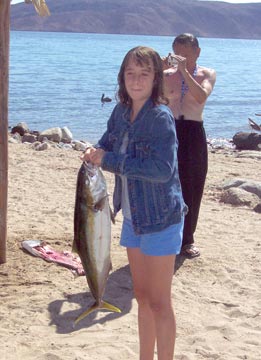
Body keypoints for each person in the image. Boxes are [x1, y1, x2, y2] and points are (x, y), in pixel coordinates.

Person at [81, 46, 187, 360]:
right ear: (122, 77)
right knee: (141, 297)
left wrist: (110, 160)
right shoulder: (120, 111)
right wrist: (95, 151)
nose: (136, 80)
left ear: (156, 79)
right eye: (130, 73)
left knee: (159, 302)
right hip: (132, 217)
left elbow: (162, 170)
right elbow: (107, 141)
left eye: (144, 74)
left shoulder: (160, 117)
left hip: (161, 219)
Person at [162, 33, 216, 258]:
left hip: (193, 131)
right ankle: (165, 235)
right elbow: (157, 101)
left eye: (185, 53)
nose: (180, 57)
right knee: (165, 183)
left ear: (197, 52)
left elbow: (201, 96)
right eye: (177, 53)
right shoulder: (166, 74)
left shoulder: (207, 73)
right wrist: (159, 72)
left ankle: (187, 240)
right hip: (170, 129)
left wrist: (184, 71)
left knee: (192, 186)